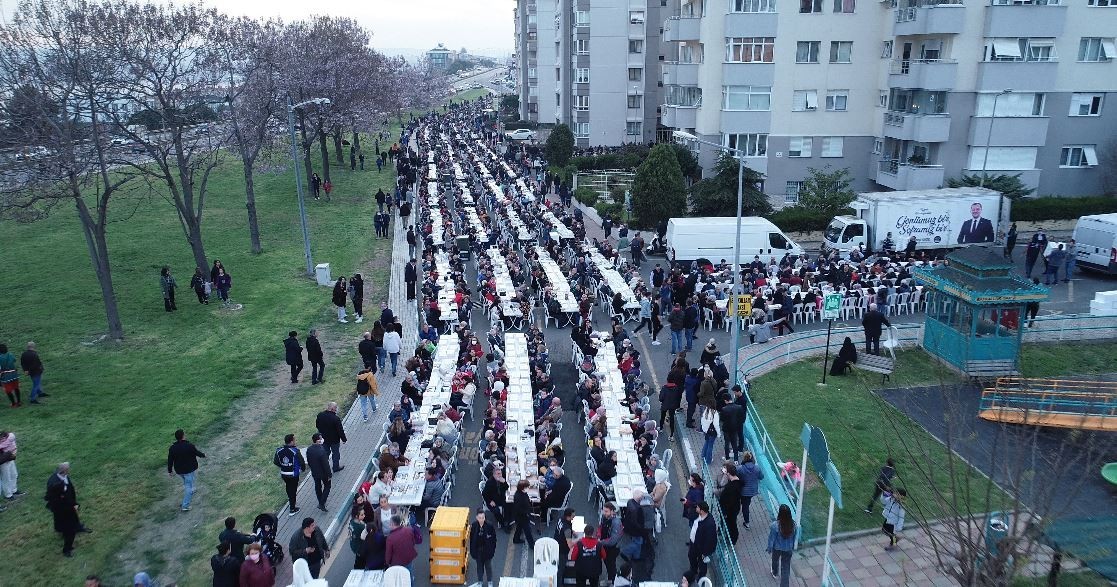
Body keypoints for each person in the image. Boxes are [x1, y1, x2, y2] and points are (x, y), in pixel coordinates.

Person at [45, 462, 86, 557]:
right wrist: (71, 506)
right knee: (69, 531)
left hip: (69, 506)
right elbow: (55, 499)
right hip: (63, 510)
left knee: (74, 520)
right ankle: (67, 550)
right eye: (68, 469)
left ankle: (77, 527)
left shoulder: (64, 476)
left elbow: (70, 490)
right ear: (65, 471)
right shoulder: (54, 483)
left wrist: (74, 503)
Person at [166, 428, 205, 512]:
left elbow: (170, 460)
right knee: (188, 485)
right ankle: (185, 505)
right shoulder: (189, 445)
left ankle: (192, 490)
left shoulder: (173, 448)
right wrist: (203, 455)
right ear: (183, 436)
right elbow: (196, 452)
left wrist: (170, 471)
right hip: (189, 469)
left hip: (180, 471)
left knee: (187, 481)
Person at [274, 433, 307, 515]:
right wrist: (303, 469)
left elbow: (276, 462)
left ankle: (290, 500)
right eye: (294, 440)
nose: (295, 441)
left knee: (288, 487)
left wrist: (283, 466)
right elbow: (301, 461)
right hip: (293, 474)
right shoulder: (295, 451)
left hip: (284, 474)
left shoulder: (279, 450)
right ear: (291, 441)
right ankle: (292, 508)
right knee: (293, 490)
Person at [767, 504, 797, 586]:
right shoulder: (793, 525)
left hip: (777, 548)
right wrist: (793, 547)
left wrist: (769, 548)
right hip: (788, 549)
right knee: (786, 567)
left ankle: (775, 572)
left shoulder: (775, 525)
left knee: (775, 560)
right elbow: (794, 538)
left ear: (780, 513)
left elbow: (771, 539)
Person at [469, 508, 498, 587]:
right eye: (480, 518)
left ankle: (490, 581)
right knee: (479, 567)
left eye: (483, 518)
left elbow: (494, 540)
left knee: (488, 567)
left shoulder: (489, 526)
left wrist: (492, 551)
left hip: (487, 551)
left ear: (485, 517)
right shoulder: (474, 526)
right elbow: (471, 540)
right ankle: (480, 581)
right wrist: (472, 552)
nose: (481, 520)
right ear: (476, 517)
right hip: (478, 551)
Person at [315, 402, 347, 473]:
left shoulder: (320, 415)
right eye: (336, 407)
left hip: (324, 439)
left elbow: (317, 425)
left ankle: (323, 467)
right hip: (334, 440)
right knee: (335, 454)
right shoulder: (335, 418)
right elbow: (340, 430)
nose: (336, 409)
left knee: (325, 453)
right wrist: (344, 439)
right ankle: (335, 467)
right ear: (332, 409)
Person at [687, 501, 716, 578]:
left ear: (702, 511)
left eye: (697, 508)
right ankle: (693, 570)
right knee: (691, 556)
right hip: (693, 542)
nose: (696, 508)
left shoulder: (709, 524)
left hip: (701, 548)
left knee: (702, 564)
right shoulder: (700, 515)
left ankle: (701, 578)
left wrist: (705, 553)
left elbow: (710, 540)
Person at [306, 433, 332, 512]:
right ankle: (322, 503)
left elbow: (309, 461)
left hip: (315, 472)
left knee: (317, 486)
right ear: (317, 441)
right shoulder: (321, 451)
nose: (322, 440)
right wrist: (329, 474)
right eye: (321, 438)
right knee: (327, 486)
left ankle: (320, 500)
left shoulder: (309, 449)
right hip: (323, 473)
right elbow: (326, 464)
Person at [598, 502, 622, 581]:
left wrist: (600, 542)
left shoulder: (616, 523)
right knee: (606, 562)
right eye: (603, 510)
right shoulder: (605, 516)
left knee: (610, 565)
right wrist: (598, 534)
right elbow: (601, 526)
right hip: (604, 544)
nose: (604, 513)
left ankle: (612, 581)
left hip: (611, 549)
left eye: (606, 511)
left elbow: (613, 541)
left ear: (612, 511)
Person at [512, 479, 535, 547]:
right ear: (523, 488)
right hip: (522, 516)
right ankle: (532, 545)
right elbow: (519, 509)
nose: (528, 488)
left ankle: (516, 539)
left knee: (519, 527)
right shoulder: (518, 497)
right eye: (527, 487)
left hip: (520, 516)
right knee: (527, 531)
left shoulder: (521, 493)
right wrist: (527, 513)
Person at [0, 431, 22, 501]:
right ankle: (8, 495)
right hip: (3, 462)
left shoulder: (8, 438)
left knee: (14, 474)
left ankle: (14, 490)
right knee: (6, 478)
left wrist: (12, 455)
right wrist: (10, 454)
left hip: (9, 459)